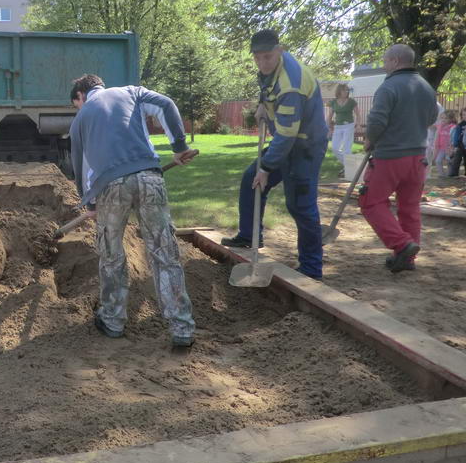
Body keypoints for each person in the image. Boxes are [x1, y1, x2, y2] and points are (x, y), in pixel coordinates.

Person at [69, 73, 197, 348]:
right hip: (150, 178)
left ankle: (113, 321)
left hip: (110, 187)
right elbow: (166, 105)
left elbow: (80, 166)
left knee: (111, 254)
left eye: (75, 103)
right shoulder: (131, 92)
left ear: (80, 95)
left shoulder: (80, 119)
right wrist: (179, 147)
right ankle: (182, 328)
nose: (78, 108)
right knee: (165, 253)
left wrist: (89, 203)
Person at [221, 29, 328, 280]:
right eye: (257, 58)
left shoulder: (292, 85)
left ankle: (312, 268)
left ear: (280, 50)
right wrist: (262, 104)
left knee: (300, 204)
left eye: (267, 57)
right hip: (286, 139)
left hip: (305, 146)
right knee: (251, 181)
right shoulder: (273, 67)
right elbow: (268, 86)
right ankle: (249, 236)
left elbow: (288, 134)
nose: (262, 63)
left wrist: (266, 168)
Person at [359, 44, 438, 273]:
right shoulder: (426, 87)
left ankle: (402, 245)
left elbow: (377, 120)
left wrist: (370, 139)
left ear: (395, 61)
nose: (384, 65)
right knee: (409, 208)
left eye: (385, 61)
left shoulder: (389, 86)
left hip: (390, 156)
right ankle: (407, 259)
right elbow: (432, 117)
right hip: (418, 157)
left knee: (371, 202)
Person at [327, 83, 361, 177]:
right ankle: (351, 165)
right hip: (338, 127)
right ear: (339, 91)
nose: (346, 92)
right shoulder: (333, 102)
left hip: (349, 126)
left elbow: (358, 115)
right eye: (344, 90)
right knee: (334, 148)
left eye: (347, 90)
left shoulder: (351, 102)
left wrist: (358, 125)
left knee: (346, 150)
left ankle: (350, 170)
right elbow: (329, 116)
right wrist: (329, 128)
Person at [433, 110, 457, 177]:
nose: (443, 120)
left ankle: (449, 174)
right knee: (438, 161)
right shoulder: (440, 126)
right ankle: (442, 174)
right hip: (441, 149)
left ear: (450, 119)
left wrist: (452, 148)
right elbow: (432, 126)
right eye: (442, 118)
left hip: (449, 149)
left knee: (449, 161)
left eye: (445, 118)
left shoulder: (453, 127)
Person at [447, 108, 466, 177]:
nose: (465, 116)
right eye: (463, 115)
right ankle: (454, 173)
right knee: (456, 159)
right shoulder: (460, 125)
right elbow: (456, 135)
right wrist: (455, 144)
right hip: (460, 145)